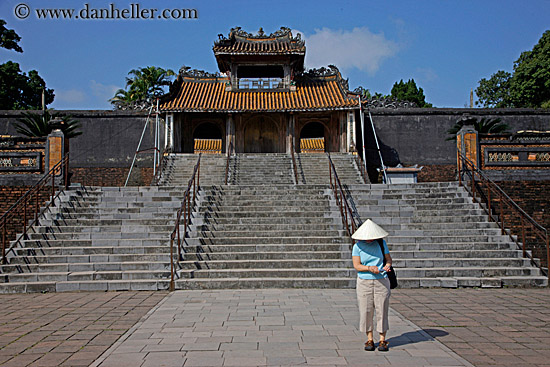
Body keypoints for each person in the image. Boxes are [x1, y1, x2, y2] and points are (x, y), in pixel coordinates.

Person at [351, 219, 393, 352]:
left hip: (382, 280)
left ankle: (382, 339)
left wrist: (387, 266)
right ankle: (369, 338)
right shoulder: (357, 246)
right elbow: (357, 265)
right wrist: (369, 268)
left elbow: (388, 260)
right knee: (366, 310)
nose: (369, 240)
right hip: (365, 281)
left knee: (382, 309)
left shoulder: (381, 243)